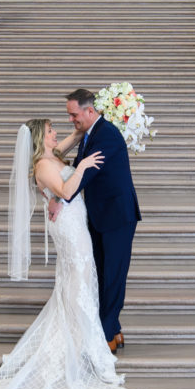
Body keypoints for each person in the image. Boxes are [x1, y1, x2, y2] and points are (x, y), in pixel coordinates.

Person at [0, 119, 143, 389]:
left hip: (75, 223)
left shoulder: (50, 155)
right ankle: (86, 347)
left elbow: (75, 138)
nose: (58, 135)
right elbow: (66, 190)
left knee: (78, 284)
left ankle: (84, 341)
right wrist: (81, 167)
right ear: (42, 138)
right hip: (69, 229)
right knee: (79, 282)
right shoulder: (43, 165)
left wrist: (100, 117)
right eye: (52, 131)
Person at [61, 88, 141, 354]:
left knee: (113, 276)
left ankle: (106, 334)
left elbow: (84, 175)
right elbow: (75, 167)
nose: (72, 120)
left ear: (90, 111)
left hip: (117, 216)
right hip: (101, 215)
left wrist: (60, 196)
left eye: (74, 115)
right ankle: (114, 328)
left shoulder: (106, 134)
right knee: (104, 273)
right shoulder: (91, 133)